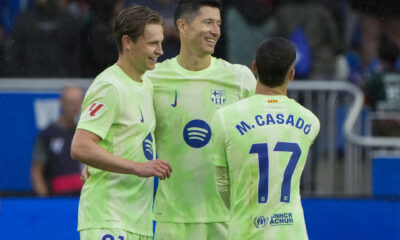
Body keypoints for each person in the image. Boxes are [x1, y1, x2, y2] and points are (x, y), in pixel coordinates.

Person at [144, 0, 257, 239]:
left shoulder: (240, 77)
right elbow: (131, 131)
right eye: (208, 22)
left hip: (229, 215)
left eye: (218, 23)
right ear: (182, 26)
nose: (215, 30)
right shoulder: (153, 79)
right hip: (174, 217)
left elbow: (263, 134)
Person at [70, 5, 172, 240]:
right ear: (128, 42)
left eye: (161, 42)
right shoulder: (110, 86)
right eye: (152, 43)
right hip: (109, 216)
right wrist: (138, 167)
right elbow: (80, 146)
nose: (160, 50)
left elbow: (116, 141)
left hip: (138, 219)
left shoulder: (145, 83)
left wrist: (98, 161)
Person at [211, 37, 320, 240]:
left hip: (245, 231)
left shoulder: (225, 117)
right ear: (292, 74)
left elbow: (222, 184)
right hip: (292, 234)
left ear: (254, 67)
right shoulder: (310, 121)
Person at [31, 86, 83, 197]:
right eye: (70, 102)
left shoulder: (87, 134)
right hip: (58, 199)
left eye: (77, 103)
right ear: (61, 103)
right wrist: (46, 201)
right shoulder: (48, 135)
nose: (73, 107)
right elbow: (37, 171)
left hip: (85, 198)